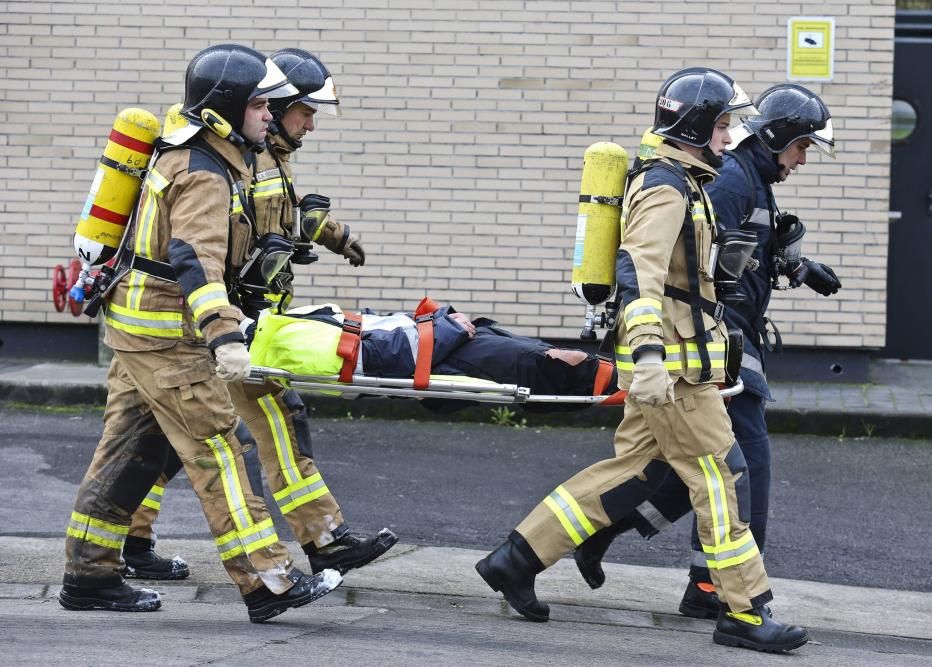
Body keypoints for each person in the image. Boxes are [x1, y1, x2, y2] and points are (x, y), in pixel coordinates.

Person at [474, 67, 811, 653]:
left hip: (680, 365)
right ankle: (746, 612)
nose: (731, 138)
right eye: (725, 125)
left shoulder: (687, 181)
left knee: (628, 474)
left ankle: (515, 559)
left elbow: (681, 274)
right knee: (722, 474)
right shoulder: (665, 186)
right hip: (673, 371)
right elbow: (639, 272)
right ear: (699, 125)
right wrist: (651, 356)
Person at [59, 43, 341, 623]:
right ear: (226, 108)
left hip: (140, 329)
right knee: (220, 450)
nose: (271, 112)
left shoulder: (207, 155)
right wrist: (224, 335)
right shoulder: (203, 172)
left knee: (129, 452)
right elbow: (196, 258)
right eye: (261, 103)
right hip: (167, 335)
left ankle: (89, 573)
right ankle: (267, 581)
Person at [122, 48, 397, 582]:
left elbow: (283, 221)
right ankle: (311, 546)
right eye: (303, 112)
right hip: (211, 324)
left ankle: (124, 545)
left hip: (212, 321)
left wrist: (338, 237)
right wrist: (225, 331)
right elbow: (208, 248)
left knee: (159, 437)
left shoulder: (261, 155)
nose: (308, 124)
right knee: (252, 421)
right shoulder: (236, 161)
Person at [572, 84, 841, 622]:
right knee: (745, 466)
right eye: (803, 145)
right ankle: (719, 589)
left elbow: (734, 257)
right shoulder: (734, 179)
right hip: (710, 345)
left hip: (722, 342)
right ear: (779, 135)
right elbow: (688, 268)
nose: (804, 159)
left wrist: (794, 266)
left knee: (688, 471)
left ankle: (619, 540)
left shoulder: (756, 182)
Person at [244, 297, 619, 405]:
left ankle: (623, 381)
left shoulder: (284, 325)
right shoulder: (284, 341)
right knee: (558, 364)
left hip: (448, 347)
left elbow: (379, 325)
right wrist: (446, 326)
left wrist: (439, 318)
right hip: (444, 354)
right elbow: (386, 359)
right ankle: (624, 385)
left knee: (547, 355)